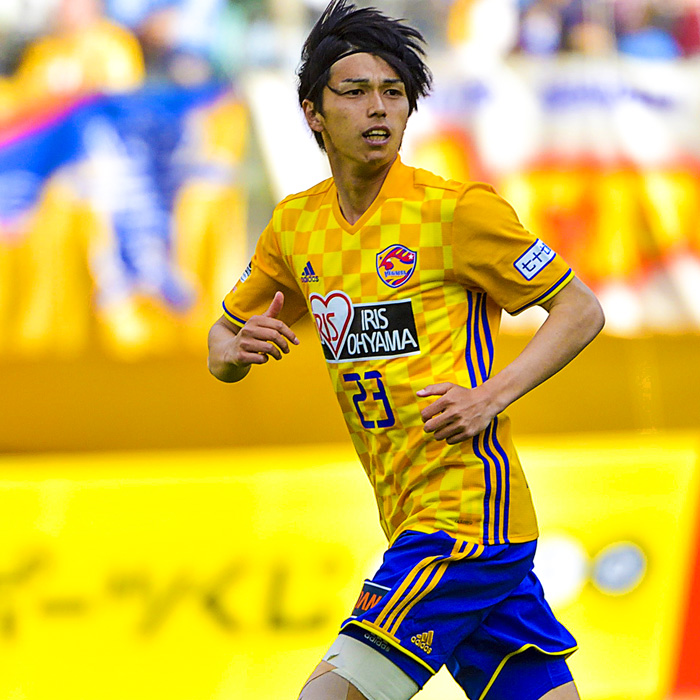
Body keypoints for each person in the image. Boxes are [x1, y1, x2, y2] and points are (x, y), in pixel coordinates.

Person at [208, 1, 605, 699]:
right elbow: (220, 345)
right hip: (420, 518)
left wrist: (489, 397)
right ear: (313, 112)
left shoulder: (455, 211)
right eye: (355, 92)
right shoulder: (296, 227)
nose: (378, 109)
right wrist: (238, 349)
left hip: (463, 519)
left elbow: (580, 308)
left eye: (393, 92)